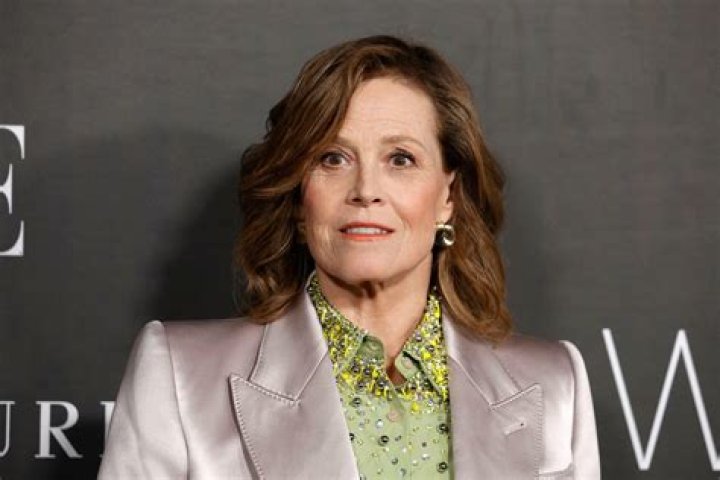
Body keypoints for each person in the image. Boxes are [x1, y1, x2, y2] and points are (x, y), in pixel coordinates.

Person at [99, 35, 600, 479]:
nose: (365, 190)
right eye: (332, 158)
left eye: (400, 159)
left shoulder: (553, 384)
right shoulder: (179, 377)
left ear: (448, 195)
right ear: (299, 197)